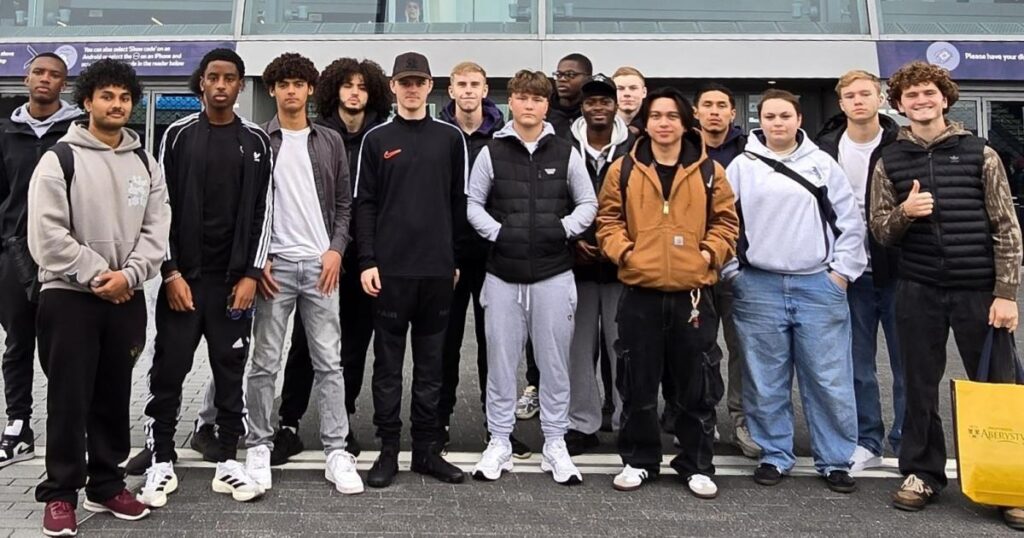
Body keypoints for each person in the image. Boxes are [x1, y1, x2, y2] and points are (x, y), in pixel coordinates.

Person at [869, 62, 1023, 530]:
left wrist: (1007, 294)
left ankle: (1011, 483)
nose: (920, 101)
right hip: (918, 290)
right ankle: (922, 473)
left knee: (999, 388)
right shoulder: (889, 160)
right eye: (910, 95)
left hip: (979, 291)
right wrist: (905, 211)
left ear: (944, 97)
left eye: (928, 93)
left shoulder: (981, 153)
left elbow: (1006, 227)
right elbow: (879, 229)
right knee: (918, 385)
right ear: (899, 104)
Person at [28, 58, 170, 536]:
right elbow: (47, 237)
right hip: (68, 296)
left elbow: (156, 231)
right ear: (87, 101)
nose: (116, 104)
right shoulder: (59, 159)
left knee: (113, 393)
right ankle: (61, 492)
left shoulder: (145, 162)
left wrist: (129, 277)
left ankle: (106, 484)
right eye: (106, 96)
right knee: (69, 397)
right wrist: (99, 275)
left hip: (126, 297)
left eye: (124, 97)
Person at [140, 48, 273, 504]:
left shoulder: (256, 140)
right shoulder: (177, 135)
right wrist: (171, 271)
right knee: (169, 369)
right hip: (184, 281)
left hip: (233, 282)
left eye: (230, 78)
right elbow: (160, 208)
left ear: (240, 85)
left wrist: (252, 274)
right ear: (201, 83)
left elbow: (264, 212)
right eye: (213, 77)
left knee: (229, 369)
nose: (221, 84)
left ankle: (228, 459)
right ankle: (160, 459)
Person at [597, 87, 738, 498]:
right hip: (639, 290)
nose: (663, 123)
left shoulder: (710, 171)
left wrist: (708, 256)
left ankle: (696, 464)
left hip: (693, 293)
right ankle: (639, 461)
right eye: (656, 116)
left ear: (684, 123)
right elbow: (608, 220)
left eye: (671, 116)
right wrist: (625, 253)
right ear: (646, 122)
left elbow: (727, 223)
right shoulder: (622, 169)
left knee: (696, 384)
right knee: (637, 382)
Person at [723, 88, 866, 494]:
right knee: (765, 378)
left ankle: (836, 459)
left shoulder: (823, 164)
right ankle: (774, 454)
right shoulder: (741, 167)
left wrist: (841, 274)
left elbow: (850, 224)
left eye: (785, 116)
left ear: (798, 119)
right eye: (769, 117)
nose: (777, 123)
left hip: (817, 284)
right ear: (760, 122)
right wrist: (733, 273)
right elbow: (723, 222)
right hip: (758, 285)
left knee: (828, 377)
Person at [236, 53, 363, 498]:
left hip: (320, 266)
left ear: (311, 90)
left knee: (330, 362)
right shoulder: (257, 140)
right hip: (274, 267)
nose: (291, 91)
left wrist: (335, 250)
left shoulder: (328, 141)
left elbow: (345, 205)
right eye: (283, 84)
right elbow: (248, 207)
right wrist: (259, 260)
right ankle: (258, 444)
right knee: (264, 362)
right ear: (271, 89)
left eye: (299, 84)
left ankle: (336, 449)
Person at [467, 69, 597, 485]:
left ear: (545, 106)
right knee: (501, 363)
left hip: (553, 273)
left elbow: (587, 203)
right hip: (503, 275)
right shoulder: (491, 152)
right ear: (512, 102)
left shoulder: (565, 151)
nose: (530, 105)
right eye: (523, 98)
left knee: (554, 364)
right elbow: (474, 205)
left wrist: (562, 230)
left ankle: (555, 442)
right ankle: (500, 441)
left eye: (538, 99)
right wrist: (499, 233)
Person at [271, 57, 391, 464]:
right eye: (347, 85)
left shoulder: (382, 136)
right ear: (334, 90)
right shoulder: (320, 134)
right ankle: (288, 421)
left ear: (371, 91)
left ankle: (343, 418)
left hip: (365, 256)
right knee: (305, 343)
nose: (354, 93)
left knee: (354, 342)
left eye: (361, 86)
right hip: (317, 253)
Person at [356, 51, 466, 488]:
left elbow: (459, 202)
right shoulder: (377, 139)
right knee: (387, 367)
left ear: (431, 85)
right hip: (391, 273)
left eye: (419, 81)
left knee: (431, 367)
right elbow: (365, 204)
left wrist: (454, 258)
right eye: (405, 82)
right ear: (394, 86)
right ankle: (387, 451)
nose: (412, 88)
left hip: (437, 272)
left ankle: (425, 451)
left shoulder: (450, 138)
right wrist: (367, 261)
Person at [436, 61, 533, 458]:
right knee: (444, 345)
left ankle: (500, 428)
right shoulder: (439, 135)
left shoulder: (505, 137)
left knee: (498, 346)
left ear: (485, 90)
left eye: (475, 84)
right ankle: (437, 423)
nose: (468, 90)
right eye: (461, 84)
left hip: (495, 255)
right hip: (448, 256)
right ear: (451, 90)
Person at [815, 70, 903, 472]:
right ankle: (867, 440)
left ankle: (906, 439)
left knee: (908, 363)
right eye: (850, 95)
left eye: (865, 93)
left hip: (901, 269)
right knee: (858, 364)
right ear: (841, 102)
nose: (858, 101)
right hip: (850, 271)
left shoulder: (902, 143)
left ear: (881, 97)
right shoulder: (826, 147)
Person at [0, 52, 81, 469]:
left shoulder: (78, 131)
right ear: (26, 78)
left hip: (63, 254)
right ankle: (17, 425)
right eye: (39, 72)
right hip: (13, 254)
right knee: (17, 343)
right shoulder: (6, 131)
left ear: (64, 84)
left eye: (54, 75)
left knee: (62, 346)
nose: (45, 79)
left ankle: (67, 426)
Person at [565, 74, 634, 455]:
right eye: (591, 102)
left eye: (605, 101)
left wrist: (619, 244)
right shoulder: (563, 145)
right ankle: (582, 423)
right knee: (578, 349)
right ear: (583, 106)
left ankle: (628, 420)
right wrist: (572, 238)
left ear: (615, 105)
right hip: (575, 265)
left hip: (623, 265)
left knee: (623, 347)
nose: (598, 108)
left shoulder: (635, 146)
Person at [692, 82, 760, 460]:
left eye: (722, 105)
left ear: (733, 113)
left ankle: (742, 419)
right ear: (696, 113)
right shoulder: (683, 150)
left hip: (739, 266)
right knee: (698, 348)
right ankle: (701, 417)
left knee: (741, 348)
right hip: (693, 266)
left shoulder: (751, 153)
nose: (715, 111)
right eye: (708, 105)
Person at [547, 53, 592, 139]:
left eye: (570, 75)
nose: (562, 79)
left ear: (588, 78)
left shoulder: (593, 112)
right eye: (559, 75)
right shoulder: (545, 112)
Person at [612, 66, 647, 137]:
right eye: (620, 88)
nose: (627, 94)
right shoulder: (601, 127)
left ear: (644, 92)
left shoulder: (654, 127)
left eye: (633, 88)